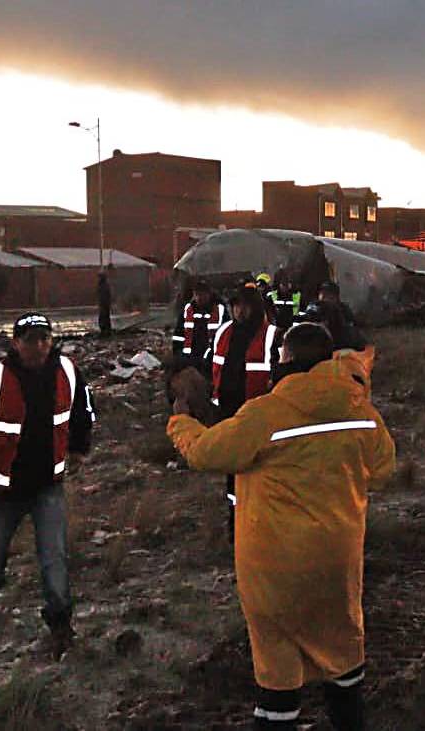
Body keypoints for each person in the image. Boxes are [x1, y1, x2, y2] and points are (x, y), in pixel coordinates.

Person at [167, 323, 395, 730]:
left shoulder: (266, 413)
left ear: (286, 360)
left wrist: (181, 423)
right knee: (342, 654)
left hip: (275, 569)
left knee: (277, 671)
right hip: (338, 562)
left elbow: (206, 453)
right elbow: (381, 470)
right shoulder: (362, 412)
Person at [0, 312, 96, 659]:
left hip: (47, 485)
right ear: (16, 343)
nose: (38, 346)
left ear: (51, 341)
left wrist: (80, 447)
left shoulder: (68, 373)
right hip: (3, 490)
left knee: (53, 555)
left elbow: (84, 411)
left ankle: (60, 623)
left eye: (44, 338)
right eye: (30, 339)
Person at [210, 285, 278, 540]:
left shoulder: (271, 335)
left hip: (258, 416)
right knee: (233, 471)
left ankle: (260, 522)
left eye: (244, 306)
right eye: (235, 306)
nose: (239, 311)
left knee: (258, 469)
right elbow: (213, 368)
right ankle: (235, 520)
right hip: (228, 412)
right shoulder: (224, 333)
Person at [172, 280, 229, 370]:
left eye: (202, 294)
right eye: (197, 294)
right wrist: (178, 353)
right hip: (189, 358)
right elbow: (179, 335)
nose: (199, 298)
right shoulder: (187, 310)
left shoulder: (220, 310)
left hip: (212, 359)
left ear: (209, 294)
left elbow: (226, 334)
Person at [97, 269, 113, 338]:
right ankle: (106, 331)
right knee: (105, 317)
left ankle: (105, 331)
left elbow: (105, 295)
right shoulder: (103, 284)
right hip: (104, 304)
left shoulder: (104, 285)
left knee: (103, 318)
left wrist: (103, 304)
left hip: (104, 304)